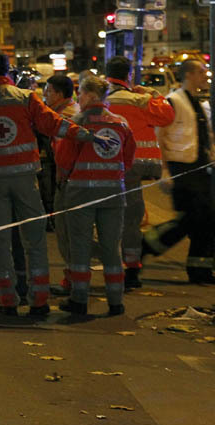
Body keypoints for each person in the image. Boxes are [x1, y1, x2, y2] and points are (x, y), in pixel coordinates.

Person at [0, 50, 112, 316]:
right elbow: (54, 125)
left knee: (0, 242)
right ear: (8, 71)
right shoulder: (26, 98)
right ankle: (39, 300)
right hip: (26, 181)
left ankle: (7, 302)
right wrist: (86, 135)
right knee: (35, 240)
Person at [55, 76, 136, 316]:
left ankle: (79, 300)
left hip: (81, 193)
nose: (78, 98)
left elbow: (64, 159)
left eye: (80, 94)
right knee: (112, 247)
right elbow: (128, 158)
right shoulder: (121, 124)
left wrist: (64, 178)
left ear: (90, 96)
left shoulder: (76, 123)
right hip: (113, 193)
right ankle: (115, 301)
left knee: (80, 248)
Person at [103, 56, 176, 289]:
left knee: (106, 218)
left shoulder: (101, 101)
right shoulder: (141, 100)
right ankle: (131, 269)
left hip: (105, 167)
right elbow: (167, 116)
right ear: (129, 76)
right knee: (131, 220)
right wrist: (154, 94)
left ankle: (109, 267)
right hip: (138, 166)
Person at [143, 59, 215, 284]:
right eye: (201, 71)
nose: (205, 75)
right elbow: (160, 136)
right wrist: (164, 170)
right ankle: (144, 245)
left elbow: (204, 137)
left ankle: (200, 270)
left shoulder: (199, 104)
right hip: (182, 169)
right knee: (192, 219)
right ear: (190, 75)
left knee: (205, 219)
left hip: (200, 168)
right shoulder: (173, 102)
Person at [41, 75, 81, 293]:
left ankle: (73, 281)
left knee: (67, 232)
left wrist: (60, 178)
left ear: (58, 94)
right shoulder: (72, 111)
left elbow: (64, 154)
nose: (45, 95)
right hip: (77, 180)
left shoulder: (64, 117)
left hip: (68, 181)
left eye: (47, 91)